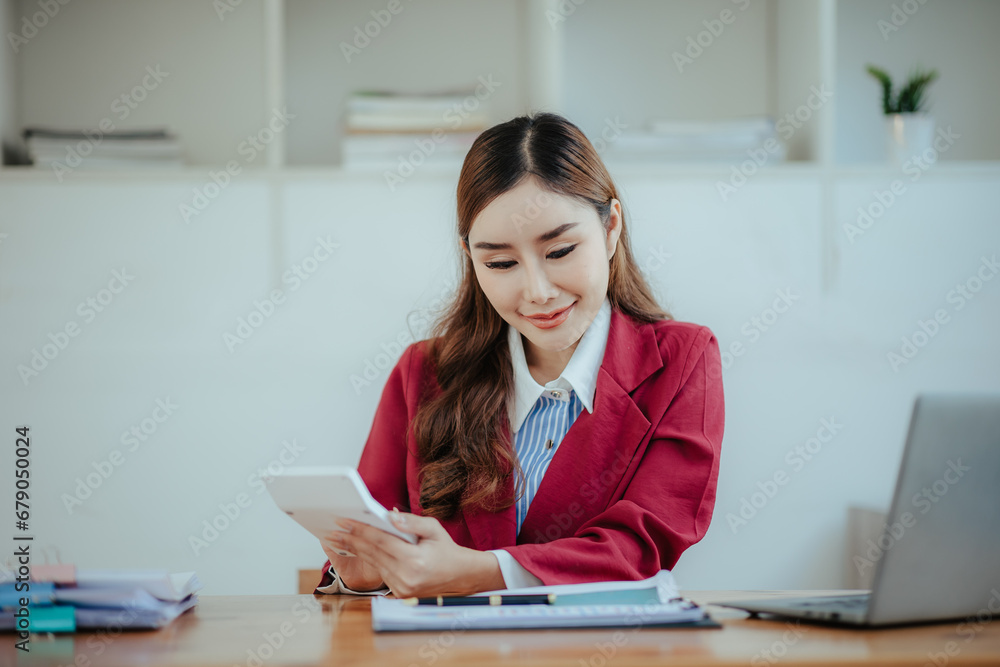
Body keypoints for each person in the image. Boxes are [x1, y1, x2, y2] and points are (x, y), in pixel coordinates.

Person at [314, 111, 725, 598]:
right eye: (501, 263)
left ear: (610, 228)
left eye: (560, 251)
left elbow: (642, 545)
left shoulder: (682, 361)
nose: (538, 292)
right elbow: (371, 552)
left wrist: (485, 572)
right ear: (471, 258)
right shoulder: (423, 372)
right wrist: (361, 575)